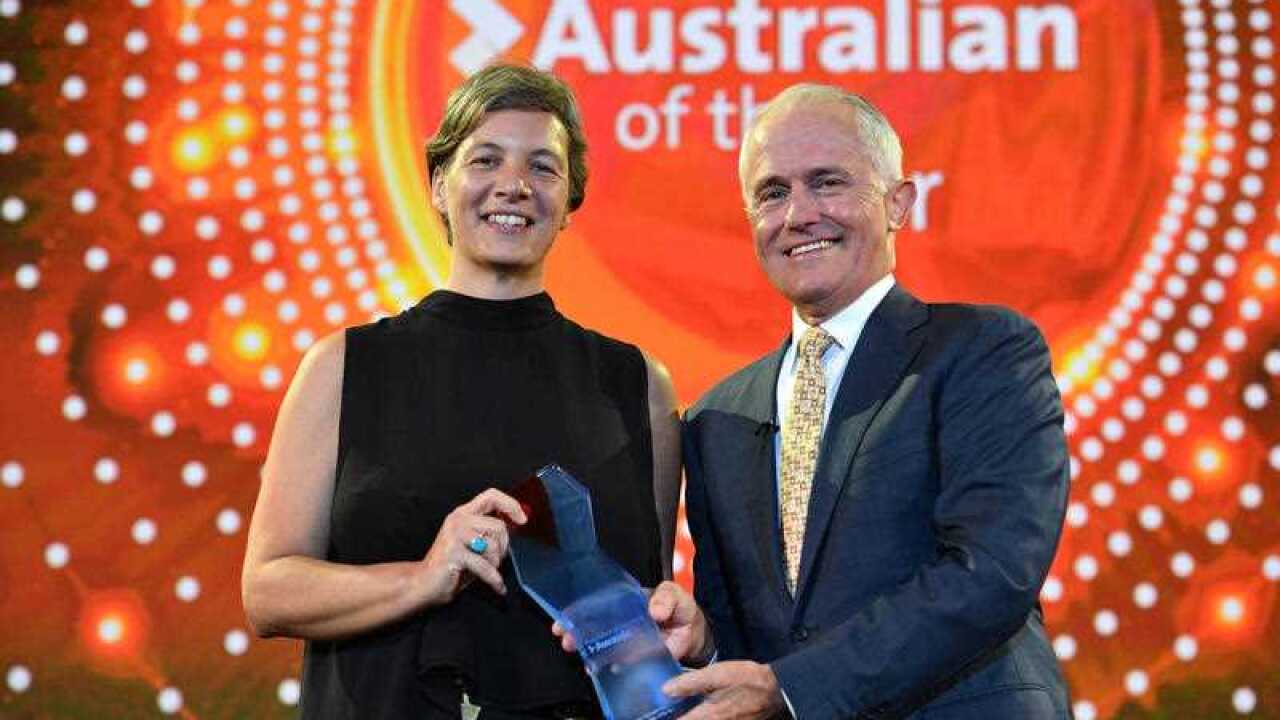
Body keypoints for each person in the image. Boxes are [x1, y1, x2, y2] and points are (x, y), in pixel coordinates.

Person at [241, 64, 682, 719]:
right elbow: (267, 592)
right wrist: (420, 578)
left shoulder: (636, 384)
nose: (514, 185)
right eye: (485, 159)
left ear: (570, 202)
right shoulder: (346, 366)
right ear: (439, 187)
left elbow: (647, 607)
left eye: (543, 167)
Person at [649, 83, 1072, 718]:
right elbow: (758, 650)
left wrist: (796, 689)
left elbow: (993, 570)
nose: (798, 214)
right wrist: (708, 646)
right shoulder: (716, 417)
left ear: (898, 203)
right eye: (772, 193)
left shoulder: (984, 351)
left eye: (827, 182)